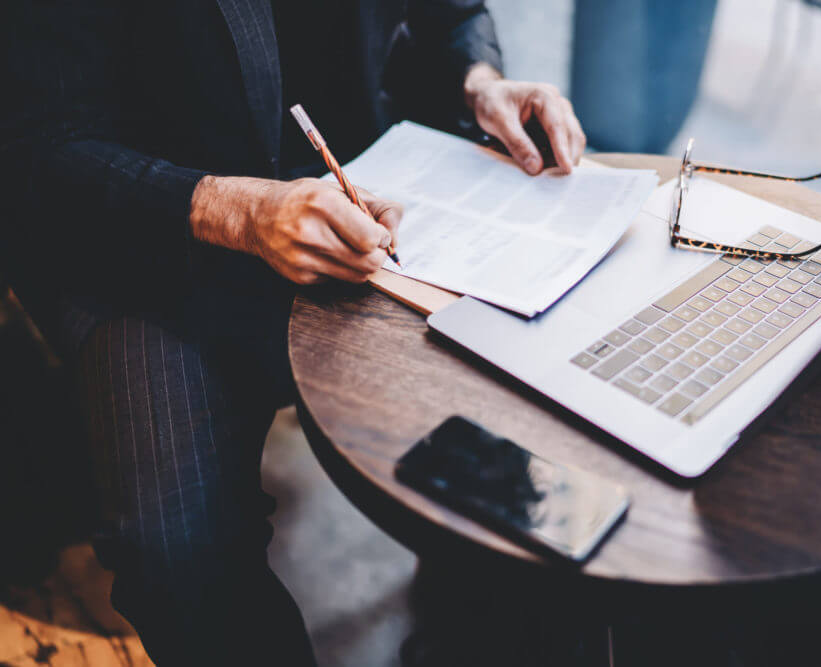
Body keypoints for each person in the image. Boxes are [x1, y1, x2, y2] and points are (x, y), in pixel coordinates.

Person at [0, 1, 585, 664]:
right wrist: (235, 211)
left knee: (527, 406)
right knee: (175, 546)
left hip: (374, 193)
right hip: (162, 230)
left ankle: (467, 622)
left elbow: (450, 12)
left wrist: (480, 82)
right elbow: (35, 143)